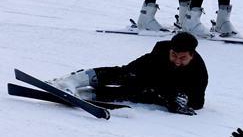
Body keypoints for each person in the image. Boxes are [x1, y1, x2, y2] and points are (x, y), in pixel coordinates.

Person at [48, 32, 208, 115]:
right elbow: (142, 69)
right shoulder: (161, 50)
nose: (177, 61)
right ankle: (71, 81)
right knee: (125, 74)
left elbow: (198, 102)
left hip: (163, 91)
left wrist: (183, 102)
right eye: (174, 55)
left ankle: (85, 95)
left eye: (183, 58)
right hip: (152, 71)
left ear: (192, 55)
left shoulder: (198, 73)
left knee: (135, 92)